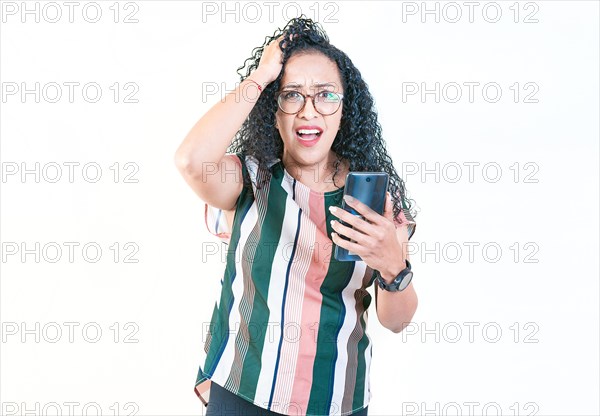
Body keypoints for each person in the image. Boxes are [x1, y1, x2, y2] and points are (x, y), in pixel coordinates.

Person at [174, 17, 418, 416]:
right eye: (291, 95)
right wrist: (261, 75)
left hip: (336, 400)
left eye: (326, 96)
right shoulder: (249, 179)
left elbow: (396, 321)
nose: (309, 111)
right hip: (243, 392)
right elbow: (190, 160)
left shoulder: (374, 200)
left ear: (345, 110)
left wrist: (394, 266)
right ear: (273, 110)